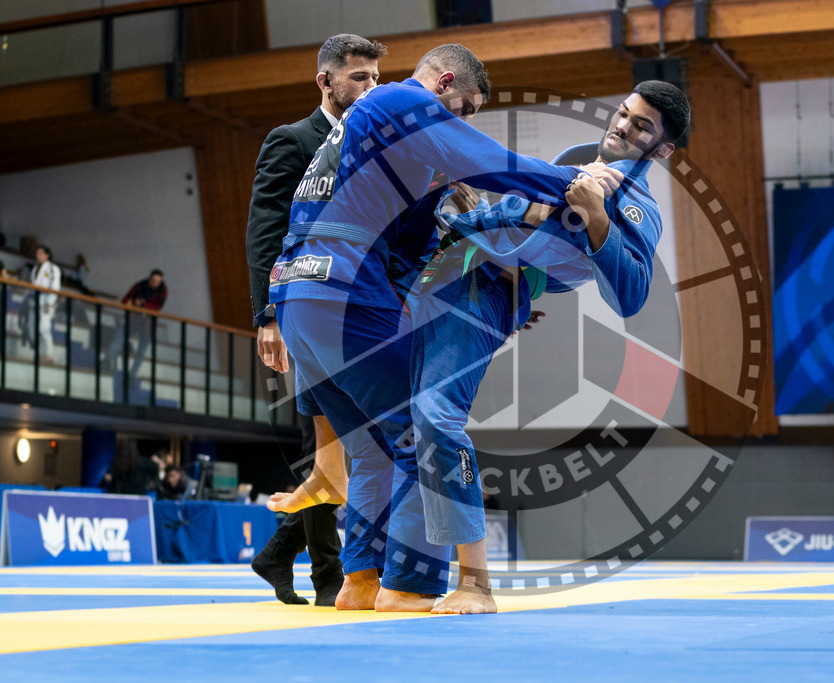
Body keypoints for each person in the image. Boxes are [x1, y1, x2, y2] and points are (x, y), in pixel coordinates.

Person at [269, 42, 621, 614]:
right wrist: (576, 183)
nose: (460, 122)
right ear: (445, 82)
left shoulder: (367, 130)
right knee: (417, 434)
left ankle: (359, 583)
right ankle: (407, 585)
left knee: (369, 452)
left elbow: (414, 247)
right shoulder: (401, 101)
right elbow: (489, 162)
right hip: (344, 290)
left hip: (297, 294)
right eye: (463, 108)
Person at [406, 80, 689, 614]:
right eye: (625, 113)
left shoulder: (639, 208)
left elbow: (630, 295)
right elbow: (523, 222)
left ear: (663, 149)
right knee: (391, 418)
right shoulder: (572, 162)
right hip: (451, 271)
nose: (624, 126)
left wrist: (598, 217)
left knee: (435, 415)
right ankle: (385, 576)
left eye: (642, 126)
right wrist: (475, 213)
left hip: (483, 293)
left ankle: (476, 583)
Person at [246, 33, 384, 607]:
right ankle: (331, 578)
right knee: (323, 442)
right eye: (359, 77)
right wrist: (267, 314)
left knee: (350, 446)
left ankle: (279, 552)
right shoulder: (292, 141)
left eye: (377, 78)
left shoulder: (376, 142)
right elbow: (264, 234)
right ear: (325, 81)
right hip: (302, 309)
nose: (371, 87)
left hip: (361, 312)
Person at [103, 269, 167, 380]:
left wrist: (144, 304)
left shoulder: (162, 291)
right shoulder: (139, 286)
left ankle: (132, 375)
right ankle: (107, 361)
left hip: (147, 325)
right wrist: (133, 303)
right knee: (118, 338)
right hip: (134, 320)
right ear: (149, 278)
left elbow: (158, 308)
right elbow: (125, 300)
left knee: (141, 351)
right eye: (154, 280)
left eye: (158, 281)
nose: (155, 283)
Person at [25, 245, 61, 362]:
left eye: (40, 253)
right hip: (34, 302)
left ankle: (48, 354)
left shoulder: (53, 269)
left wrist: (49, 303)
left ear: (47, 255)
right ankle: (39, 353)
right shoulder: (35, 268)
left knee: (44, 328)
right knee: (32, 328)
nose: (37, 256)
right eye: (37, 254)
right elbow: (33, 286)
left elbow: (55, 288)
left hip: (46, 302)